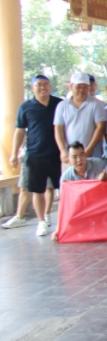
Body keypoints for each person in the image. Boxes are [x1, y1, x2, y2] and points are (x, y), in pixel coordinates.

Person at [3, 75, 63, 234]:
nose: (43, 87)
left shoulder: (59, 104)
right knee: (37, 190)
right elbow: (19, 131)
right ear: (32, 88)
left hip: (58, 155)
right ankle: (41, 221)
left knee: (64, 188)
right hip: (35, 155)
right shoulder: (25, 107)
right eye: (39, 85)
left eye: (45, 84)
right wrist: (14, 153)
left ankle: (62, 220)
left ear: (50, 86)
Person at [54, 72, 106, 162]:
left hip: (92, 154)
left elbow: (100, 127)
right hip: (70, 156)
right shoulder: (62, 106)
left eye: (85, 87)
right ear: (71, 87)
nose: (82, 90)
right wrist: (62, 150)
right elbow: (58, 129)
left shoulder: (96, 104)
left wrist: (90, 148)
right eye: (78, 87)